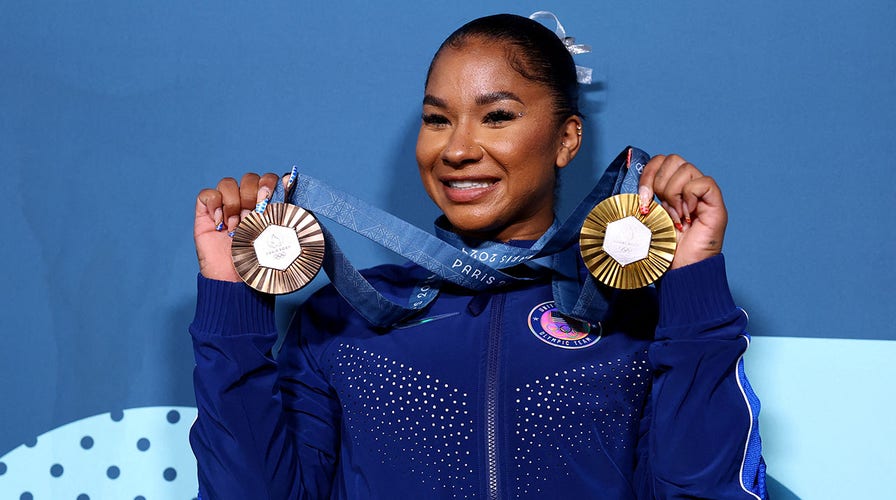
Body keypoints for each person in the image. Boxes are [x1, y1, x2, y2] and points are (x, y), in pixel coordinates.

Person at [189, 13, 767, 500]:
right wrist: (231, 302)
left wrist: (692, 282)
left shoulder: (641, 321)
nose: (458, 149)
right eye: (437, 119)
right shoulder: (341, 321)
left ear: (567, 139)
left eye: (497, 116)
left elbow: (706, 489)